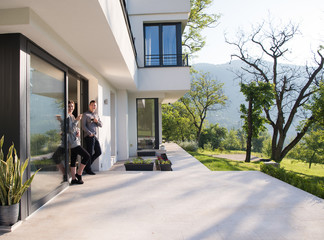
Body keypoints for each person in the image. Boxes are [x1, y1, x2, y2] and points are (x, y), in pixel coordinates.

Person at [67, 100, 90, 184]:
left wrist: (78, 130)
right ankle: (79, 174)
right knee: (87, 156)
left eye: (72, 106)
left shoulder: (71, 115)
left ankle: (73, 179)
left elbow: (74, 127)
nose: (71, 108)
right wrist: (77, 120)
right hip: (73, 142)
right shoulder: (67, 116)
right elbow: (69, 129)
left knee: (73, 159)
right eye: (69, 106)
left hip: (74, 140)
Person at [82, 100, 102, 175]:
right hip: (89, 136)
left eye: (95, 105)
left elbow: (101, 125)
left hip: (95, 136)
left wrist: (97, 121)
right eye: (92, 105)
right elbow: (83, 126)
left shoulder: (96, 115)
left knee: (98, 152)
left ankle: (87, 166)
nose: (94, 106)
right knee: (89, 153)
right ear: (89, 105)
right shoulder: (85, 114)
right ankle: (88, 169)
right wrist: (89, 133)